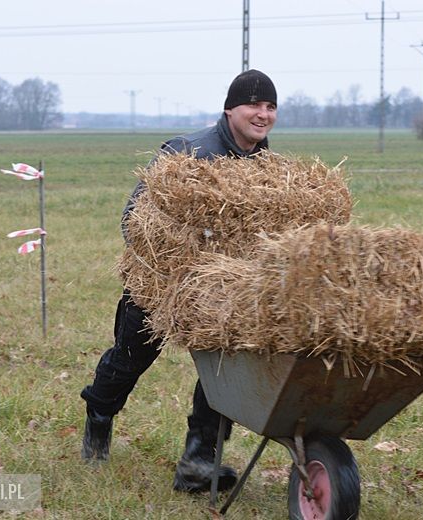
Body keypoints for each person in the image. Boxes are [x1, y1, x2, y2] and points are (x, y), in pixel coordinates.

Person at [80, 69, 278, 493]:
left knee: (225, 370)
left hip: (222, 295)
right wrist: (179, 262)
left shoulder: (267, 164)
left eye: (270, 107)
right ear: (230, 109)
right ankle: (99, 415)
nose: (262, 115)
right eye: (253, 105)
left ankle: (198, 460)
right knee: (128, 361)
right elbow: (134, 218)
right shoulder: (188, 151)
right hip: (159, 286)